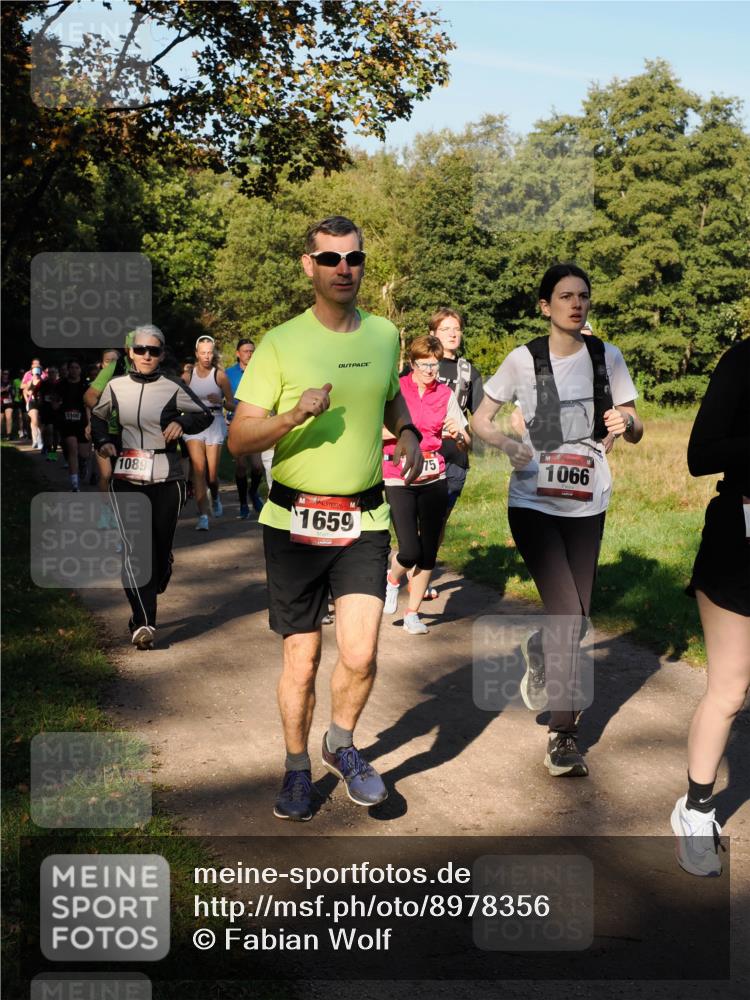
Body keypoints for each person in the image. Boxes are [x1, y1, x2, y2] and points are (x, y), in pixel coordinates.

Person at [228, 215, 423, 822]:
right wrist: (291, 417)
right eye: (331, 258)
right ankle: (294, 768)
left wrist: (409, 431)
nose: (344, 268)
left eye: (354, 258)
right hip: (293, 521)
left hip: (363, 518)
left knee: (361, 655)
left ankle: (340, 743)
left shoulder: (385, 335)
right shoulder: (281, 343)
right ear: (308, 266)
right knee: (303, 659)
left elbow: (390, 395)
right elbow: (237, 438)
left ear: (364, 265)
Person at [472, 262, 643, 778]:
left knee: (576, 617)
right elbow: (481, 419)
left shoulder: (606, 357)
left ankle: (543, 645)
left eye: (584, 296)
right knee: (570, 617)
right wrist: (506, 443)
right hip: (533, 501)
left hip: (588, 499)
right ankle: (563, 736)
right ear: (546, 306)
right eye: (565, 296)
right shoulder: (522, 360)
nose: (577, 303)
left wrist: (627, 422)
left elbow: (636, 428)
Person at [670, 339, 750, 877]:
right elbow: (701, 455)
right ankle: (696, 809)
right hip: (739, 541)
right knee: (731, 685)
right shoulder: (744, 360)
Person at [91, 324, 213, 649]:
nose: (147, 355)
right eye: (141, 349)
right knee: (135, 550)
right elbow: (99, 417)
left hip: (167, 479)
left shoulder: (172, 387)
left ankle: (162, 568)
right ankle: (144, 623)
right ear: (130, 352)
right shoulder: (115, 386)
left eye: (154, 350)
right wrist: (103, 442)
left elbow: (204, 416)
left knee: (157, 553)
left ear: (161, 354)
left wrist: (181, 422)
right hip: (127, 478)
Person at [383, 335, 469, 633]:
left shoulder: (445, 394)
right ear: (411, 364)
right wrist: (401, 436)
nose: (431, 371)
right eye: (424, 365)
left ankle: (411, 614)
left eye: (435, 365)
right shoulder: (396, 389)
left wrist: (460, 436)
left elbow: (466, 439)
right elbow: (375, 428)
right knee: (409, 549)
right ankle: (393, 579)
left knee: (429, 550)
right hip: (400, 474)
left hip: (435, 474)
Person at [430, 308, 484, 527]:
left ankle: (425, 562)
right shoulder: (418, 367)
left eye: (457, 329)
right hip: (422, 455)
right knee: (417, 524)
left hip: (455, 459)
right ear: (433, 333)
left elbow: (481, 419)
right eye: (445, 329)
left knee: (438, 523)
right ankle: (411, 559)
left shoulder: (470, 373)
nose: (452, 334)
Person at [184, 335, 235, 530]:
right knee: (198, 469)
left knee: (212, 476)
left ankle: (215, 496)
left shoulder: (219, 376)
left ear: (213, 354)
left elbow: (232, 404)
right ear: (197, 354)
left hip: (215, 422)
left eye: (209, 353)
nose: (206, 356)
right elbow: (175, 398)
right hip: (194, 423)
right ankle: (203, 516)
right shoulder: (188, 377)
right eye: (203, 353)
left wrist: (220, 401)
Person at [225, 338, 265, 518]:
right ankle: (243, 504)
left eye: (252, 351)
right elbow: (224, 401)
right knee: (241, 466)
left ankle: (253, 492)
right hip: (236, 424)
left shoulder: (261, 372)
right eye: (246, 351)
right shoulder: (228, 374)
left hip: (256, 422)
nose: (249, 354)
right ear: (237, 354)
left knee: (257, 467)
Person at [58, 359, 91, 491]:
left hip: (81, 422)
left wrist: (89, 423)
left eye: (77, 367)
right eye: (71, 367)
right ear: (68, 369)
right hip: (66, 423)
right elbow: (55, 400)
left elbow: (89, 406)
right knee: (72, 448)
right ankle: (74, 483)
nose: (74, 370)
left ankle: (82, 464)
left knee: (83, 454)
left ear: (80, 370)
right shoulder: (62, 385)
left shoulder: (85, 386)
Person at [39, 365, 64, 460]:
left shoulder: (60, 384)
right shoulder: (44, 383)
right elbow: (40, 395)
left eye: (53, 373)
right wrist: (40, 404)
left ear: (56, 374)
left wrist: (59, 403)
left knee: (56, 433)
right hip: (47, 410)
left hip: (57, 410)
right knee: (48, 430)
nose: (51, 374)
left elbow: (62, 397)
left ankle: (53, 451)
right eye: (49, 373)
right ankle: (50, 452)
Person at [1, 369, 14, 438]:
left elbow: (13, 392)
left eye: (7, 374)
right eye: (4, 374)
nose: (6, 375)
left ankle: (9, 434)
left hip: (9, 402)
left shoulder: (10, 382)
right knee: (1, 419)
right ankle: (1, 434)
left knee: (9, 417)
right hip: (1, 402)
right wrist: (6, 389)